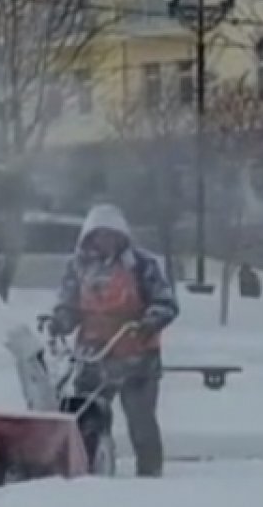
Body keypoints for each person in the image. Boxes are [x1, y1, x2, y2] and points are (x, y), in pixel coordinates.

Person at [42, 203, 179, 477]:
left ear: (121, 236)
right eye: (98, 235)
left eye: (110, 235)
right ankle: (86, 468)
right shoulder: (79, 267)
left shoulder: (142, 265)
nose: (104, 241)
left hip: (137, 357)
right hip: (93, 353)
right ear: (88, 237)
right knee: (85, 414)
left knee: (141, 420)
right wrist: (59, 322)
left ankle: (150, 474)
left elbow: (166, 302)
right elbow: (69, 305)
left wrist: (148, 323)